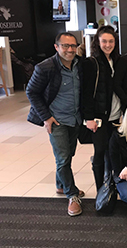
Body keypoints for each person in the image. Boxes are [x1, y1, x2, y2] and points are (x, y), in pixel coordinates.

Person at [26, 32, 84, 216]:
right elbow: (31, 92)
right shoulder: (45, 67)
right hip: (56, 120)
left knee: (69, 154)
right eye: (65, 45)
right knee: (63, 157)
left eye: (73, 45)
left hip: (75, 119)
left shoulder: (80, 64)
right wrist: (46, 117)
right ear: (56, 46)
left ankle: (61, 185)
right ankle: (72, 195)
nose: (70, 49)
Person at [82, 25, 121, 191]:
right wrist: (88, 118)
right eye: (104, 41)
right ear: (97, 42)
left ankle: (112, 183)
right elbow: (86, 93)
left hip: (116, 115)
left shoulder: (117, 60)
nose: (108, 44)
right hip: (99, 117)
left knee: (113, 151)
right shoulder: (91, 63)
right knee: (100, 151)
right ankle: (100, 189)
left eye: (111, 41)